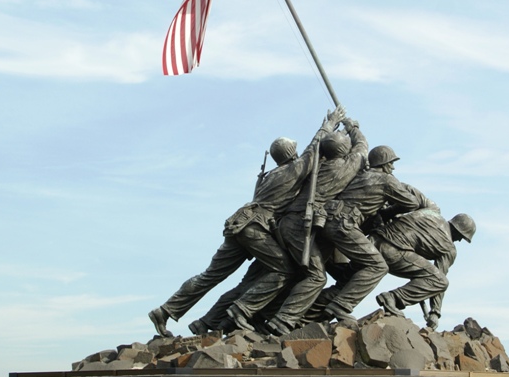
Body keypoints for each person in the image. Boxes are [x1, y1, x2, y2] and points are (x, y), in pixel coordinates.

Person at [148, 107, 344, 337]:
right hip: (255, 228)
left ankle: (166, 310)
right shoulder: (292, 170)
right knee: (284, 270)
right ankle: (241, 311)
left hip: (239, 224)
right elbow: (314, 150)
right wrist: (329, 124)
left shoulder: (270, 176)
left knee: (211, 275)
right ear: (292, 152)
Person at [233, 117, 368, 335]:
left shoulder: (311, 169)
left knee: (296, 273)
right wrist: (353, 128)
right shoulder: (348, 166)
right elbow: (362, 147)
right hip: (300, 227)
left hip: (286, 225)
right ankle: (281, 320)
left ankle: (266, 315)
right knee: (316, 276)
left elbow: (312, 153)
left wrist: (329, 129)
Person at [311, 145, 421, 326]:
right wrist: (388, 211)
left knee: (333, 274)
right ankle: (342, 305)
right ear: (385, 163)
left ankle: (303, 316)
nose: (393, 168)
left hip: (327, 222)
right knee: (378, 266)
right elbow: (412, 203)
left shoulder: (359, 176)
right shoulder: (387, 180)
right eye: (391, 163)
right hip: (343, 224)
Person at [372, 198, 475, 330]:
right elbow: (438, 279)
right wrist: (435, 312)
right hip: (393, 252)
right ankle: (393, 297)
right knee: (440, 281)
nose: (460, 240)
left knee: (347, 284)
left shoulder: (431, 211)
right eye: (462, 237)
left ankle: (337, 302)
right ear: (458, 231)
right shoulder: (449, 248)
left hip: (373, 241)